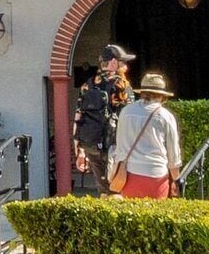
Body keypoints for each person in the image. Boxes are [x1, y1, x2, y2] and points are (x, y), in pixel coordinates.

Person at [110, 70, 185, 201]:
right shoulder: (165, 116)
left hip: (128, 174)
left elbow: (120, 145)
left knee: (130, 211)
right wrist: (176, 181)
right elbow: (173, 155)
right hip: (156, 175)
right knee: (155, 212)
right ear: (162, 96)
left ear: (142, 92)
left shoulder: (126, 112)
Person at [67, 48, 131, 195]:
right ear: (113, 62)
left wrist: (79, 149)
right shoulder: (121, 85)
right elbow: (129, 117)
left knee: (102, 188)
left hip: (91, 144)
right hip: (114, 145)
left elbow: (78, 117)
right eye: (123, 62)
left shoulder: (88, 85)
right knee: (117, 189)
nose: (126, 67)